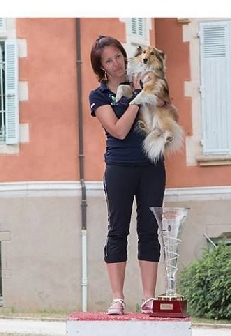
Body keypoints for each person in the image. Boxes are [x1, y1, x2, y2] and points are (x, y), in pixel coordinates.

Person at [88, 35, 167, 315]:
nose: (117, 63)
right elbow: (119, 130)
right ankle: (118, 298)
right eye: (109, 60)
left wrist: (147, 91)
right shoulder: (99, 96)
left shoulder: (145, 80)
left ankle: (148, 297)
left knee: (149, 230)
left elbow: (165, 108)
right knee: (117, 230)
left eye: (119, 56)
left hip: (152, 166)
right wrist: (136, 97)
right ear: (102, 68)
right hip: (120, 168)